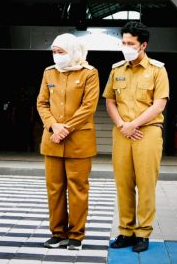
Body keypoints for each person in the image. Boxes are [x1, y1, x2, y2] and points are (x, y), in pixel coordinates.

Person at [106, 22, 169, 254]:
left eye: (130, 43)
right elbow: (110, 101)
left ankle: (143, 233)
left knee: (145, 185)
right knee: (123, 183)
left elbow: (160, 103)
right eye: (123, 43)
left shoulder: (157, 70)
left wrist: (134, 124)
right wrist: (123, 124)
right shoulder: (117, 70)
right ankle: (126, 230)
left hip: (148, 131)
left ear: (143, 45)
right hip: (122, 131)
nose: (126, 47)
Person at [36, 33, 99, 251]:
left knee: (78, 188)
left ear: (72, 52)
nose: (56, 56)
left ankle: (76, 235)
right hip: (52, 139)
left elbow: (89, 107)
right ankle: (57, 233)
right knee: (54, 188)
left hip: (79, 140)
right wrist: (54, 125)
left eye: (61, 52)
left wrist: (65, 129)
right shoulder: (48, 73)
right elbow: (41, 103)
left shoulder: (90, 73)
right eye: (54, 51)